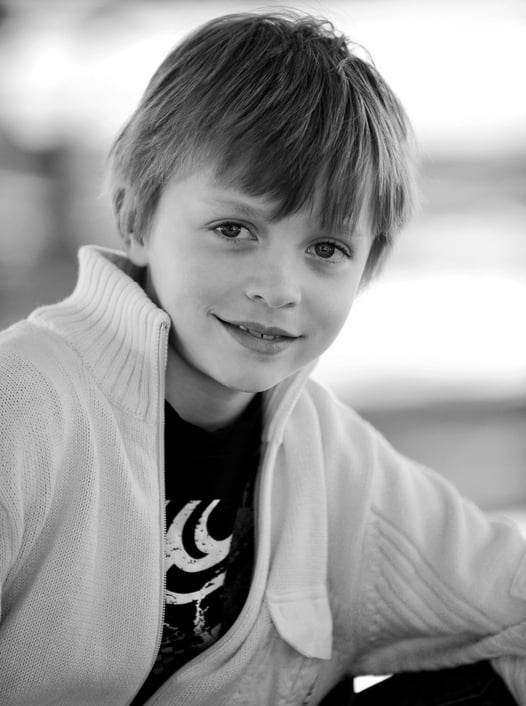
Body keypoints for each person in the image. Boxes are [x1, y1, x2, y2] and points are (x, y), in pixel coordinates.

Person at [0, 10, 525, 706]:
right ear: (134, 217)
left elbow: (506, 589)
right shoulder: (25, 404)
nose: (278, 289)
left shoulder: (330, 454)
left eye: (327, 249)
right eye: (233, 229)